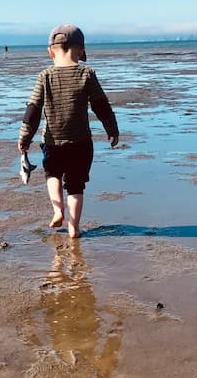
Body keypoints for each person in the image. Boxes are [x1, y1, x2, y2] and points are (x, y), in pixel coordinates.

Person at [18, 24, 119, 238]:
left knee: (52, 174)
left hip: (52, 141)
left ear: (50, 51)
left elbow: (33, 110)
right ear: (81, 51)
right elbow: (101, 105)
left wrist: (24, 138)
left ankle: (57, 210)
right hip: (81, 142)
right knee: (76, 185)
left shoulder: (45, 76)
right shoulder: (87, 73)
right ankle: (74, 227)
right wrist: (112, 129)